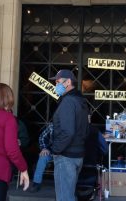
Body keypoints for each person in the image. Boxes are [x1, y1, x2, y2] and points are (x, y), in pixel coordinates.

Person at [50, 69, 89, 201]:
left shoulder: (68, 101)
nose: (56, 85)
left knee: (64, 197)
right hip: (78, 154)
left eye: (58, 81)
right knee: (69, 195)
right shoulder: (80, 101)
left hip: (66, 156)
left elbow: (68, 131)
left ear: (68, 82)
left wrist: (55, 150)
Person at [27, 123, 53, 193]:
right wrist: (44, 148)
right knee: (42, 156)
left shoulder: (70, 125)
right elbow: (42, 137)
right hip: (51, 152)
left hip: (64, 154)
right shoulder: (52, 126)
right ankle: (36, 183)